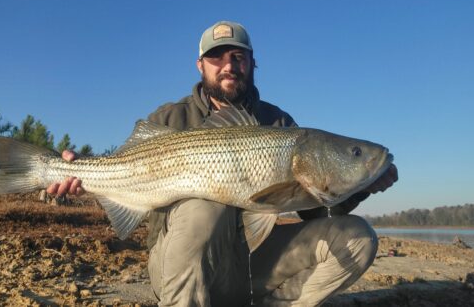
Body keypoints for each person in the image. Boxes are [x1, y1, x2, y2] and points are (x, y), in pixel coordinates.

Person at [47, 21, 398, 306]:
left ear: (252, 63)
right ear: (200, 65)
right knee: (204, 208)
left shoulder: (279, 124)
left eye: (238, 56)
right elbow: (122, 171)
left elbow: (317, 215)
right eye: (217, 58)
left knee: (357, 236)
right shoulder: (169, 117)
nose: (229, 65)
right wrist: (80, 172)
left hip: (250, 267)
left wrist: (360, 186)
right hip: (181, 271)